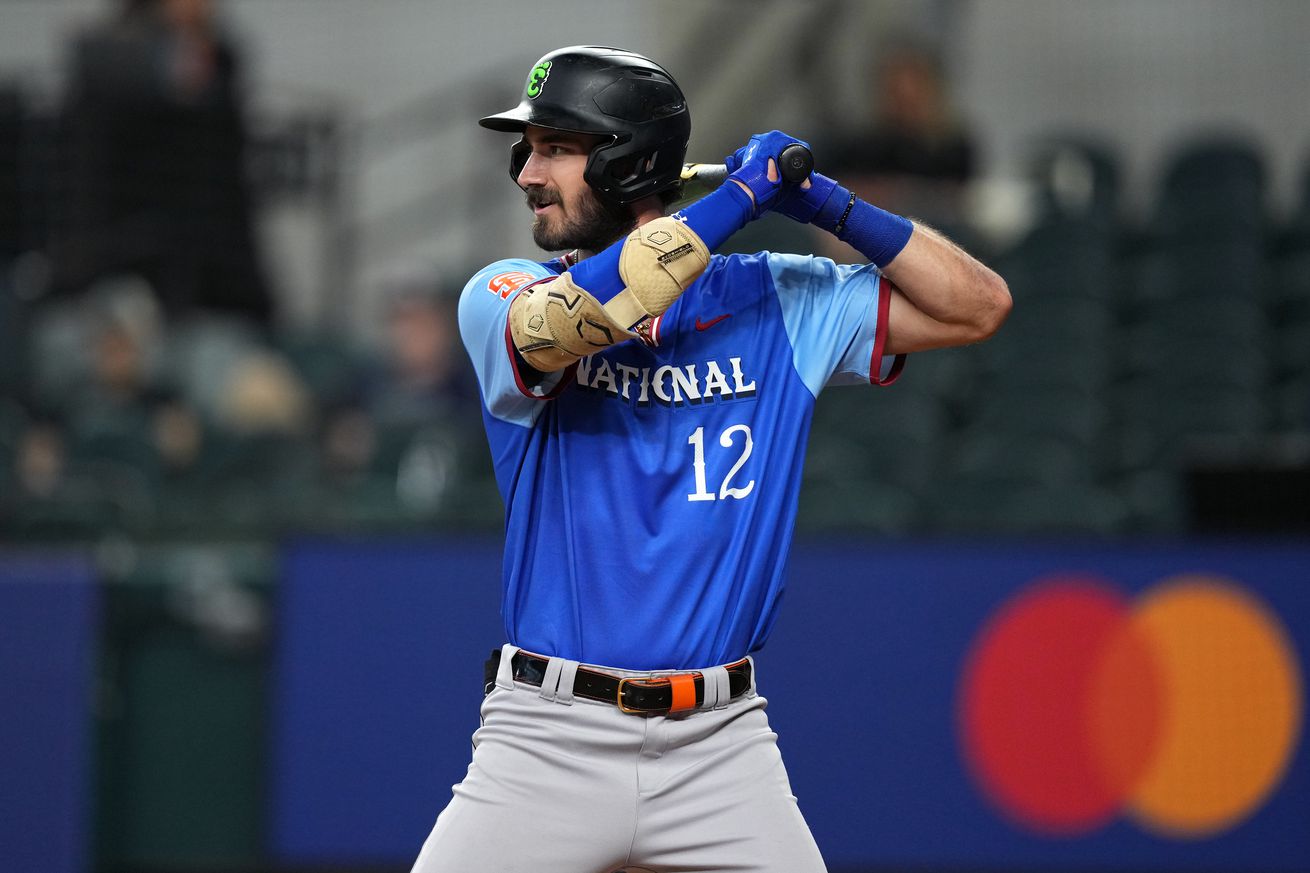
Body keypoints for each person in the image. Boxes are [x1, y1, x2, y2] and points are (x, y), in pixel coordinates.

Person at [412, 46, 1010, 873]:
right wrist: (738, 198)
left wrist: (829, 204)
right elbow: (577, 321)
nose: (527, 172)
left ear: (625, 163)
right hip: (546, 736)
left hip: (720, 743)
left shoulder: (777, 296)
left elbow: (979, 306)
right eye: (528, 148)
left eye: (554, 147)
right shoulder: (502, 290)